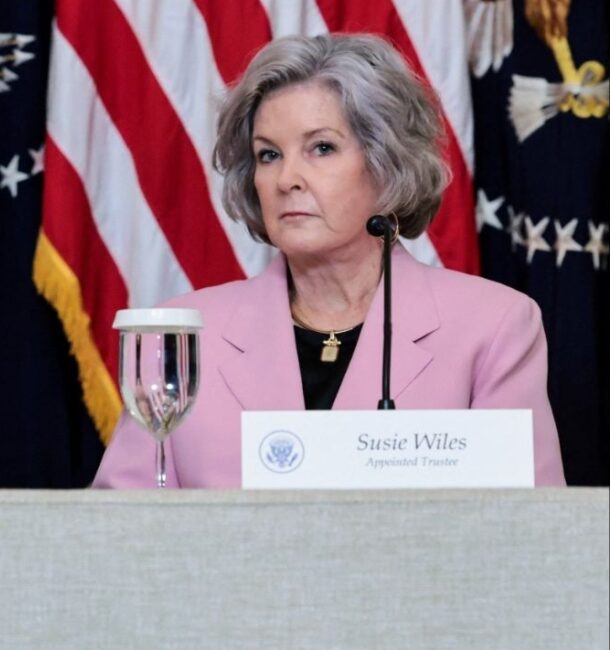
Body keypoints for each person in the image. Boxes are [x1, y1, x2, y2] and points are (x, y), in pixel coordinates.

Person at [93, 34, 566, 488]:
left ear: (387, 165)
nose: (286, 179)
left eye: (321, 148)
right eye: (269, 155)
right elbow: (118, 533)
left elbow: (528, 536)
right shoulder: (185, 334)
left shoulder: (492, 326)